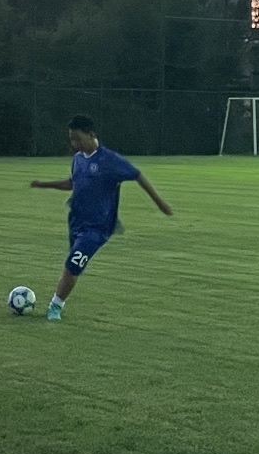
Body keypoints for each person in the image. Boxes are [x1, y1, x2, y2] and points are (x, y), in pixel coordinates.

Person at [28, 115, 172, 321]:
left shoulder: (109, 160)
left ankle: (55, 307)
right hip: (76, 222)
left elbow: (136, 175)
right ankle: (57, 303)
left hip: (98, 227)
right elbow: (73, 183)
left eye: (77, 138)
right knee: (73, 267)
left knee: (73, 262)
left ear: (91, 135)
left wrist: (160, 203)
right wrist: (44, 184)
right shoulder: (78, 160)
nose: (74, 144)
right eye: (71, 139)